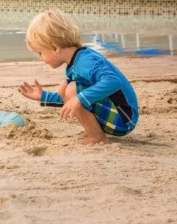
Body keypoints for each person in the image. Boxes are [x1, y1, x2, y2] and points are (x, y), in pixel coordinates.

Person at [18, 9, 139, 144]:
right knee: (65, 87)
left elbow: (113, 81)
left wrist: (79, 99)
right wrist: (43, 96)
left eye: (40, 53)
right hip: (114, 116)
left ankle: (96, 135)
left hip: (124, 118)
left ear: (54, 48)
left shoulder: (86, 61)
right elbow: (71, 100)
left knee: (71, 89)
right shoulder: (75, 62)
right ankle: (93, 131)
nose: (40, 58)